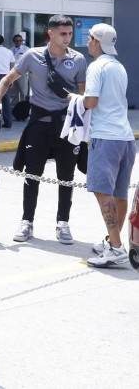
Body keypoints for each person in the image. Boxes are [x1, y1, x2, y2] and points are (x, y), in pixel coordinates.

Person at [0, 15, 86, 244]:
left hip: (66, 126)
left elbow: (83, 94)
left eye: (69, 33)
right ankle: (27, 222)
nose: (67, 38)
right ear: (50, 33)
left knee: (66, 177)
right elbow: (8, 79)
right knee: (32, 174)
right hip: (39, 124)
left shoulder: (79, 59)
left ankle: (63, 223)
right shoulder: (32, 56)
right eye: (62, 33)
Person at [72, 24, 135, 267]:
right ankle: (113, 242)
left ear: (97, 41)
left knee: (103, 193)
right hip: (126, 138)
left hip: (105, 137)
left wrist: (74, 99)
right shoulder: (119, 67)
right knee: (119, 194)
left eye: (89, 38)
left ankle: (116, 248)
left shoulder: (96, 66)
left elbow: (91, 102)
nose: (87, 42)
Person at [8, 33, 30, 114]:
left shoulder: (26, 49)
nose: (18, 42)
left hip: (22, 73)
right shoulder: (10, 50)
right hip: (13, 73)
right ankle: (14, 112)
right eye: (16, 41)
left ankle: (24, 112)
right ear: (14, 41)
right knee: (14, 94)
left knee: (23, 92)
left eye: (20, 40)